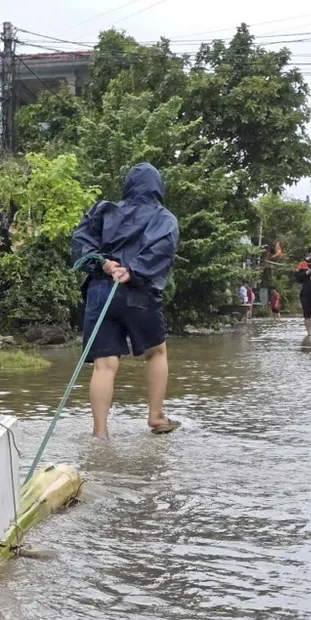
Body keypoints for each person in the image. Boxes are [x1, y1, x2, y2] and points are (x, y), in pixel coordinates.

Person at [71, 162, 181, 439]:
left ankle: (100, 433)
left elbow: (81, 240)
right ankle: (156, 416)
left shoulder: (103, 210)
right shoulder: (163, 217)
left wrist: (104, 264)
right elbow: (163, 249)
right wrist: (132, 271)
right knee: (155, 352)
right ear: (159, 188)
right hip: (138, 294)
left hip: (100, 292)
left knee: (104, 364)